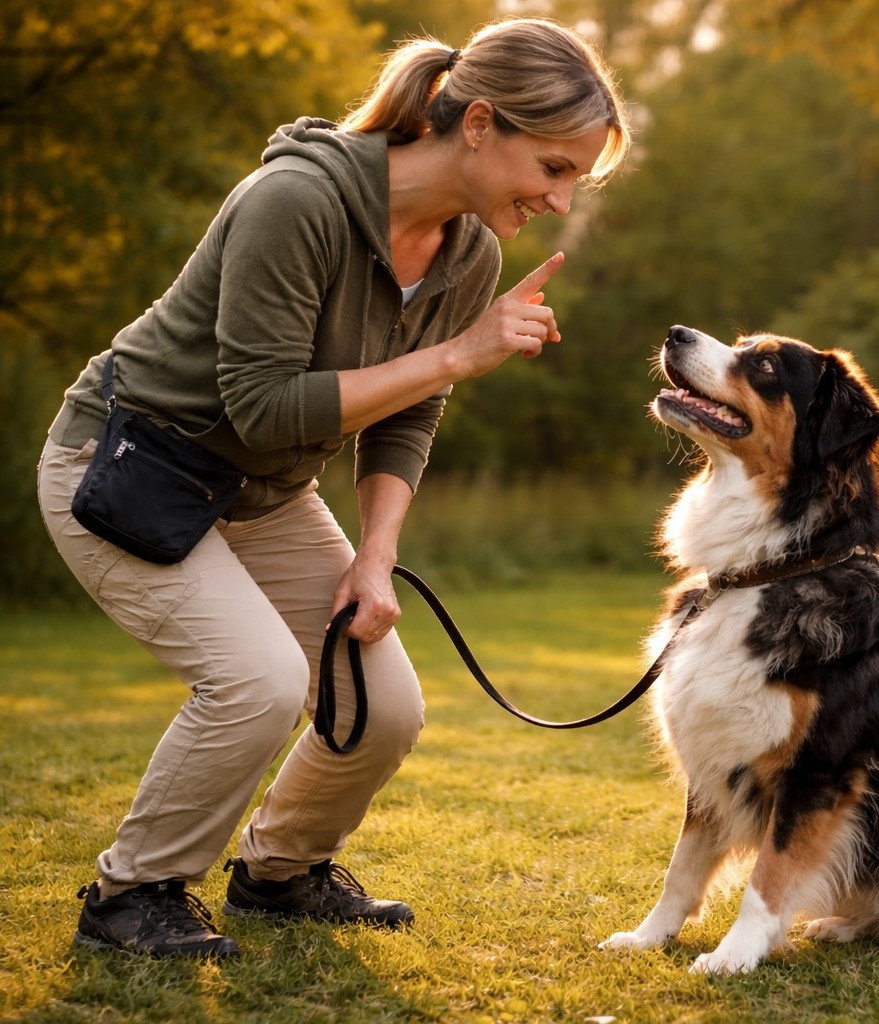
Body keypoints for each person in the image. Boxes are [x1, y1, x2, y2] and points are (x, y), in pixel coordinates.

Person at [36, 17, 631, 959]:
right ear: (479, 123)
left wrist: (376, 555)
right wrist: (459, 353)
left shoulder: (469, 253)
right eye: (552, 168)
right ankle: (129, 897)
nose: (559, 201)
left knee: (383, 708)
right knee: (258, 682)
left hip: (263, 494)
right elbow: (265, 406)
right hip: (128, 465)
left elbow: (408, 413)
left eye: (575, 181)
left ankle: (279, 873)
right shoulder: (296, 201)